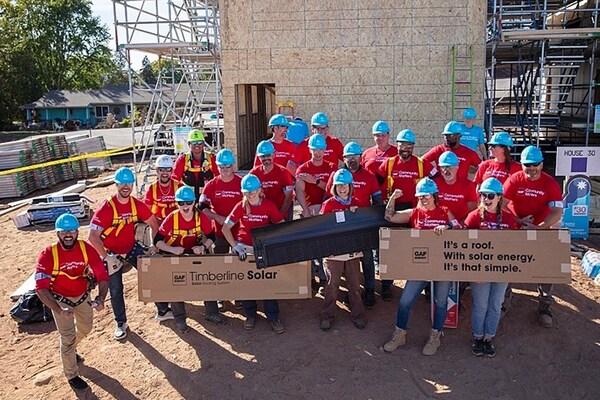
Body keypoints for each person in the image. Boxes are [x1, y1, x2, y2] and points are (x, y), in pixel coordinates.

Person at [382, 178, 458, 356]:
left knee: (441, 302)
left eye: (426, 196)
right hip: (420, 265)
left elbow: (458, 228)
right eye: (420, 196)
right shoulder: (414, 213)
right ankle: (400, 334)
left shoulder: (445, 211)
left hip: (441, 265)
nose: (423, 199)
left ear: (434, 195)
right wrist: (393, 198)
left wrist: (446, 227)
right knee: (405, 301)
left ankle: (435, 335)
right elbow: (389, 217)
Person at [35, 214, 108, 391]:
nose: (68, 235)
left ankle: (70, 349)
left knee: (86, 328)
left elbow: (102, 275)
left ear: (77, 231)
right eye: (64, 231)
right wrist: (59, 310)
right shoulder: (48, 254)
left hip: (83, 296)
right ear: (58, 233)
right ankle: (71, 374)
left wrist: (101, 298)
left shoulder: (86, 249)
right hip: (60, 300)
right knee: (66, 337)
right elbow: (41, 288)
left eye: (72, 231)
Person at [88, 167, 159, 340]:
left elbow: (154, 223)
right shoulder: (107, 207)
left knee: (152, 274)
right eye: (122, 184)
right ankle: (121, 323)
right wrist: (106, 257)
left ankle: (163, 309)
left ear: (133, 184)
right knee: (116, 288)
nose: (125, 187)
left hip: (131, 247)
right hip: (111, 252)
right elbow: (92, 236)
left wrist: (153, 246)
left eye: (129, 183)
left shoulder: (136, 204)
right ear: (116, 184)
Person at [502, 145, 563, 328]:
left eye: (535, 164)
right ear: (521, 165)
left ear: (542, 164)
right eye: (527, 164)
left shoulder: (550, 182)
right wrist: (517, 220)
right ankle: (505, 300)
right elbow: (501, 205)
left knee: (547, 265)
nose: (531, 168)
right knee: (506, 261)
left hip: (541, 227)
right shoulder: (514, 179)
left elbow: (557, 212)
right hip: (516, 225)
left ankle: (545, 305)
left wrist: (540, 228)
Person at [222, 174, 286, 333]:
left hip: (261, 248)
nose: (250, 195)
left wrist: (273, 244)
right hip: (244, 247)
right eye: (246, 192)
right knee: (247, 283)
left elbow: (281, 226)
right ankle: (250, 314)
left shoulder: (269, 206)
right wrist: (235, 246)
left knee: (266, 282)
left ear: (259, 190)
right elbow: (225, 228)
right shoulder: (240, 207)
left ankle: (273, 317)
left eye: (253, 191)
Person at [463, 178, 518, 357]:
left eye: (490, 195)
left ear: (499, 197)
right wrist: (473, 271)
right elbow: (463, 245)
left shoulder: (509, 218)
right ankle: (477, 337)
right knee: (480, 305)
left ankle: (489, 338)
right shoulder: (473, 217)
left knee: (495, 304)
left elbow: (516, 246)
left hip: (501, 269)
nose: (486, 199)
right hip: (480, 270)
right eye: (483, 195)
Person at [325, 142, 382, 308]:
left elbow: (377, 202)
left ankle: (370, 290)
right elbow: (329, 200)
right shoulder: (336, 176)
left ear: (361, 157)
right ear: (343, 158)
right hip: (341, 229)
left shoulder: (369, 177)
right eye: (348, 156)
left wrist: (373, 222)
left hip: (362, 226)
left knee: (367, 259)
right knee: (346, 262)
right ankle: (352, 292)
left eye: (355, 156)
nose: (352, 159)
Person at [154, 186, 217, 332]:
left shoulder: (200, 217)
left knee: (206, 279)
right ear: (177, 204)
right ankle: (180, 319)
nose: (185, 206)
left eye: (188, 202)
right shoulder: (172, 217)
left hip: (193, 250)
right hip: (174, 252)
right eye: (181, 203)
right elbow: (157, 240)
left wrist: (202, 247)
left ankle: (212, 313)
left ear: (194, 202)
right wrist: (172, 250)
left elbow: (212, 237)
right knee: (177, 284)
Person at [319, 169, 367, 331]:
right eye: (339, 186)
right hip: (333, 253)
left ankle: (358, 315)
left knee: (354, 285)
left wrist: (356, 215)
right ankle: (327, 316)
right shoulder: (329, 204)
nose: (342, 188)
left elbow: (363, 227)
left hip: (352, 251)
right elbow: (321, 228)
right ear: (334, 187)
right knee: (332, 285)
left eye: (345, 185)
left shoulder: (357, 203)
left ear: (350, 186)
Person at [200, 148, 244, 310]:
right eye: (222, 167)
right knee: (220, 264)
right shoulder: (212, 185)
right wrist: (218, 218)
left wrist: (236, 220)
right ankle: (220, 294)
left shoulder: (241, 183)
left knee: (238, 264)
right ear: (217, 167)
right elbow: (202, 206)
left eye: (228, 166)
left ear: (233, 165)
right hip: (219, 232)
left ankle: (238, 295)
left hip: (239, 232)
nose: (225, 170)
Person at [295, 133, 337, 290]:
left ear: (325, 149)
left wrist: (315, 181)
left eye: (321, 149)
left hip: (327, 211)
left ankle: (325, 277)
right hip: (311, 211)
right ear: (309, 150)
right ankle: (312, 275)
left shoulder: (332, 167)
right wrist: (305, 210)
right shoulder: (303, 168)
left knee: (325, 246)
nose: (318, 153)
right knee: (309, 246)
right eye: (315, 150)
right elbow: (299, 190)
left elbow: (334, 190)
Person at [250, 140, 294, 220]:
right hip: (262, 217)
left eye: (268, 155)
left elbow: (288, 198)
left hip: (281, 214)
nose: (266, 158)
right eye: (263, 156)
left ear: (273, 155)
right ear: (259, 157)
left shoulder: (283, 172)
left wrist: (278, 217)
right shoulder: (254, 174)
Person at [171, 129, 219, 200]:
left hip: (207, 197)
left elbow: (219, 177)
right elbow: (174, 179)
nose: (197, 145)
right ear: (189, 144)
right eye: (194, 143)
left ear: (203, 144)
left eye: (199, 142)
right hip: (187, 198)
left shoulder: (211, 158)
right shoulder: (183, 159)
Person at [433, 151, 478, 223]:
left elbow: (473, 210)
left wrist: (460, 226)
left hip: (462, 226)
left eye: (450, 166)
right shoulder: (433, 184)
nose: (446, 170)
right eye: (443, 167)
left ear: (457, 168)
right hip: (439, 226)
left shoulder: (468, 185)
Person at [144, 154, 180, 221]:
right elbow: (146, 210)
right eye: (162, 169)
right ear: (157, 170)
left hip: (175, 221)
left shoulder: (179, 187)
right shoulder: (152, 188)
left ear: (172, 171)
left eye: (168, 169)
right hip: (158, 221)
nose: (165, 173)